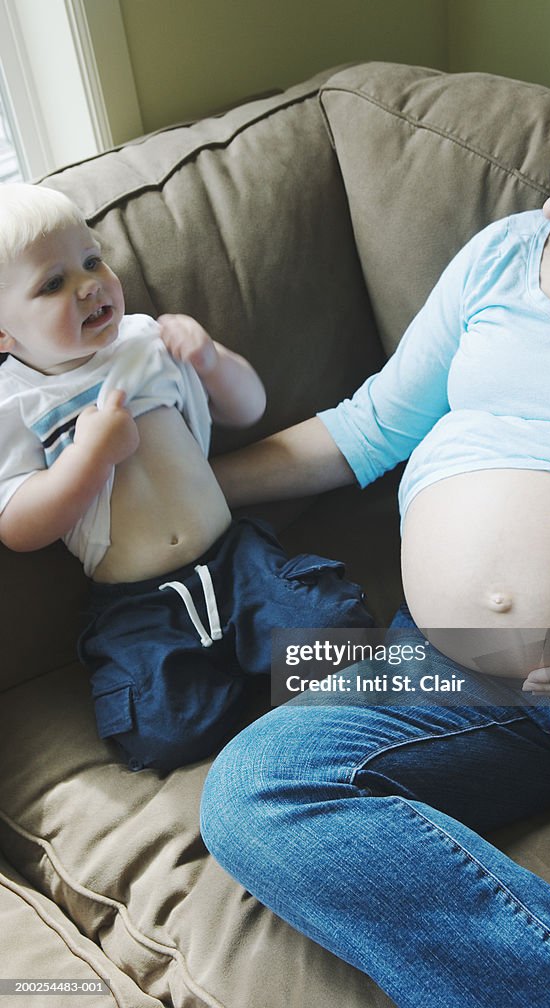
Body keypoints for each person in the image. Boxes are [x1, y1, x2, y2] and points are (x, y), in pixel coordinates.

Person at [199, 22, 550, 1008]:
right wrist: (183, 496)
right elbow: (367, 427)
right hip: (440, 660)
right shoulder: (503, 257)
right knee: (253, 793)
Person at [0, 183, 373, 773]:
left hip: (235, 558)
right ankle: (240, 693)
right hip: (136, 597)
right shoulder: (14, 405)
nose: (90, 284)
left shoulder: (145, 339)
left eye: (92, 261)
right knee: (161, 734)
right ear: (3, 333)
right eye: (53, 283)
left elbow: (247, 409)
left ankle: (268, 675)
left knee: (336, 635)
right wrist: (89, 458)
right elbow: (19, 526)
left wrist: (212, 363)